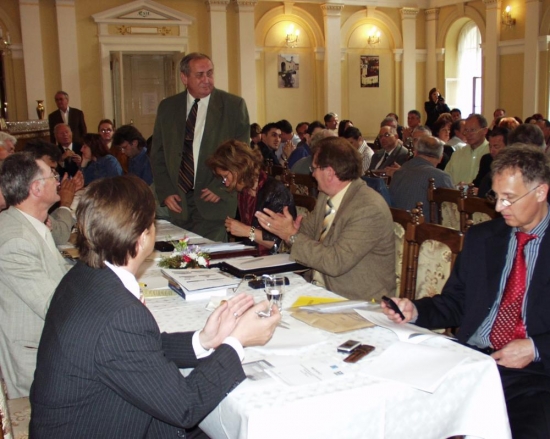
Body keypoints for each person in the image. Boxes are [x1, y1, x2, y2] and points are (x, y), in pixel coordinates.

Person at [30, 175, 280, 438]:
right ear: (141, 239)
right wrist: (237, 342)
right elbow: (186, 406)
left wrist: (204, 340)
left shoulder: (83, 275)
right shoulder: (121, 315)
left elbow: (137, 349)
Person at [382, 145, 550, 439]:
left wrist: (535, 347)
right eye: (496, 197)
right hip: (471, 360)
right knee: (395, 409)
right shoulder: (484, 237)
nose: (499, 208)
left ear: (541, 192)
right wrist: (416, 310)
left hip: (533, 374)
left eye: (509, 198)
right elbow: (456, 302)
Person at [255, 137, 395, 301]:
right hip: (320, 291)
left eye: (314, 168)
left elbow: (335, 262)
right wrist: (288, 228)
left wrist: (291, 235)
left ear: (329, 172)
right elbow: (304, 233)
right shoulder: (325, 196)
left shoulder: (368, 208)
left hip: (356, 302)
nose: (312, 174)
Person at [152, 53, 250, 241]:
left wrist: (221, 186)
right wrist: (166, 191)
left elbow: (242, 155)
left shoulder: (233, 106)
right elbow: (158, 154)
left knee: (211, 255)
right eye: (199, 75)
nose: (207, 79)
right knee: (180, 255)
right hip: (179, 202)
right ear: (184, 78)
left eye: (210, 73)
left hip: (214, 200)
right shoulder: (168, 107)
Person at [0, 152, 71, 398]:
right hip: (36, 364)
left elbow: (57, 273)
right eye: (53, 175)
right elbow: (55, 305)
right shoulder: (16, 241)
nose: (58, 180)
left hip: (51, 345)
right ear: (36, 188)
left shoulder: (28, 223)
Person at [206, 140, 296, 255]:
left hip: (275, 259)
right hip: (251, 255)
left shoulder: (275, 192)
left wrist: (247, 231)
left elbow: (280, 243)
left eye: (226, 177)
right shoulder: (245, 191)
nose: (226, 183)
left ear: (239, 168)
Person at [389, 136, 454, 219]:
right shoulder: (441, 177)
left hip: (397, 224)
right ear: (440, 158)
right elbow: (454, 212)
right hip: (424, 226)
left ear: (415, 153)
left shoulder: (399, 172)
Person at [444, 113, 489, 185]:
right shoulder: (458, 154)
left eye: (473, 130)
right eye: (466, 130)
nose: (468, 134)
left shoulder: (491, 153)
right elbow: (446, 179)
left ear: (485, 131)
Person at [473, 127, 509, 196]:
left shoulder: (513, 165)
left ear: (508, 147)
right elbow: (478, 182)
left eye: (496, 147)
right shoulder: (486, 159)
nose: (492, 150)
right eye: (490, 146)